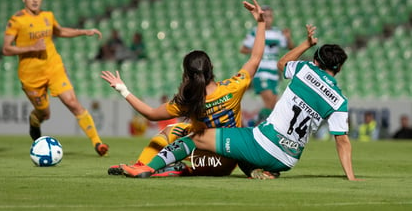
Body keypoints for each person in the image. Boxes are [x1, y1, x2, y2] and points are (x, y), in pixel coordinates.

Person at [119, 24, 363, 181]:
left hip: (255, 146)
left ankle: (147, 168)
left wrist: (305, 44)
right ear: (339, 67)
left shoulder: (304, 70)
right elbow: (342, 140)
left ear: (316, 60)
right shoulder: (339, 99)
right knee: (243, 136)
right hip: (287, 159)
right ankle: (260, 171)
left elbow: (281, 63)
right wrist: (350, 177)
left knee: (190, 137)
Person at [101, 0, 266, 177]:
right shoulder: (233, 87)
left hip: (203, 157)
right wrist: (261, 23)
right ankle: (168, 168)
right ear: (212, 69)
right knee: (179, 130)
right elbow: (255, 58)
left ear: (187, 75)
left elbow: (150, 114)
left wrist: (123, 89)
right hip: (228, 160)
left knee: (172, 132)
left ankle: (149, 166)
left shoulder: (189, 100)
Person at [2, 0, 109, 156]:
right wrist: (32, 47)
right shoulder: (17, 20)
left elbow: (59, 31)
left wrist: (84, 32)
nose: (35, 0)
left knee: (73, 102)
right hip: (31, 76)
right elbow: (6, 49)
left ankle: (98, 143)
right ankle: (34, 120)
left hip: (53, 67)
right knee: (44, 113)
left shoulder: (47, 16)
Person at [240, 5, 294, 125]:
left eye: (270, 16)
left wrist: (288, 38)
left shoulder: (277, 32)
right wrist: (259, 49)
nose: (268, 19)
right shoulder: (256, 32)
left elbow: (290, 48)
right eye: (265, 16)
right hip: (261, 70)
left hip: (274, 72)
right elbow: (243, 49)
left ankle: (253, 122)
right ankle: (255, 124)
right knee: (269, 101)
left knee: (272, 105)